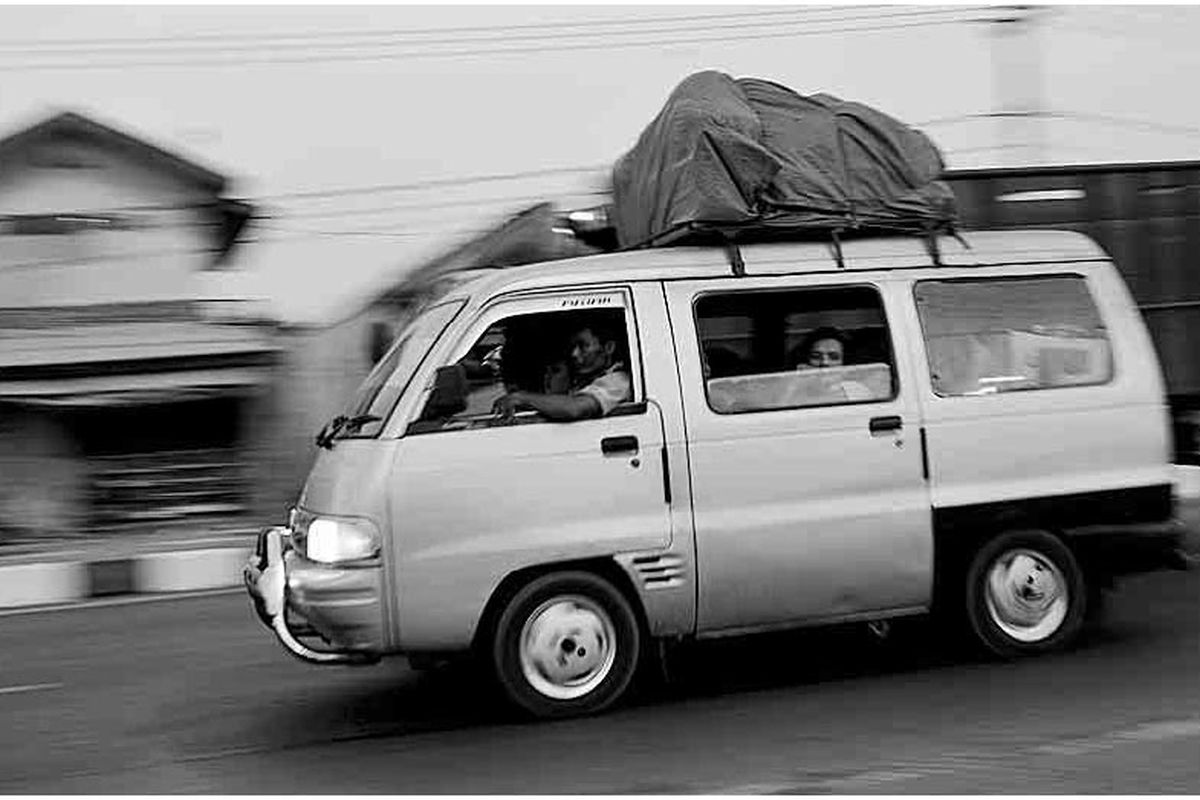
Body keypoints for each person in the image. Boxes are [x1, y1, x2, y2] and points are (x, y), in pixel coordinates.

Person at [493, 322, 631, 421]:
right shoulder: (585, 378)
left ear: (608, 347)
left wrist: (521, 398)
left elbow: (575, 408)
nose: (574, 354)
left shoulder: (618, 381)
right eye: (573, 347)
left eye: (583, 346)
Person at [796, 326, 873, 401]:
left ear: (843, 363)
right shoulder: (795, 391)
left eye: (834, 357)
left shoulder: (858, 392)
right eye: (816, 357)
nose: (825, 363)